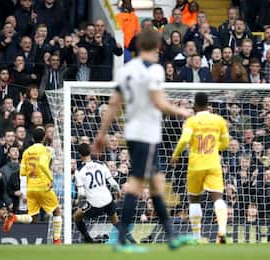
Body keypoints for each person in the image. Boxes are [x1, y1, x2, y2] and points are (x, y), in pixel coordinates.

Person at [93, 30, 194, 253]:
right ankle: (120, 240)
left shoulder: (126, 69)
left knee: (157, 184)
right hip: (147, 134)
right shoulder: (154, 70)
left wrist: (101, 134)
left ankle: (170, 235)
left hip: (133, 133)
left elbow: (113, 104)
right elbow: (158, 102)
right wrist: (182, 111)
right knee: (137, 185)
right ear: (157, 46)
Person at [170, 92, 230, 244]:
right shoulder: (219, 120)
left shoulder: (191, 121)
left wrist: (175, 155)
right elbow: (226, 143)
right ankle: (222, 230)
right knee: (217, 197)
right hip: (213, 163)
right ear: (208, 104)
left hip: (195, 165)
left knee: (194, 200)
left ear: (195, 106)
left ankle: (196, 237)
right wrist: (215, 147)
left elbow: (184, 140)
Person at [3, 128, 63, 244]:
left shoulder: (26, 152)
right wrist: (50, 178)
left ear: (32, 138)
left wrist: (24, 190)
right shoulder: (46, 150)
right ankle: (57, 239)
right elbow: (42, 164)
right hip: (43, 186)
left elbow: (22, 173)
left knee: (32, 217)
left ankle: (14, 217)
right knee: (56, 211)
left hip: (31, 187)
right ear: (44, 137)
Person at [73, 143, 136, 244]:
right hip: (108, 199)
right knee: (115, 221)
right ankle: (132, 240)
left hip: (94, 203)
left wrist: (80, 205)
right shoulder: (101, 164)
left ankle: (88, 239)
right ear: (90, 152)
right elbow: (113, 183)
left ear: (80, 154)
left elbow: (81, 194)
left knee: (76, 216)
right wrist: (119, 192)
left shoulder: (79, 171)